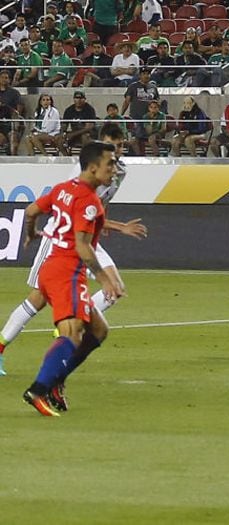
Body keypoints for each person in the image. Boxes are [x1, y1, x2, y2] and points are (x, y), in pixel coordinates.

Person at [0, 124, 147, 378]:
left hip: (86, 238)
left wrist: (102, 224)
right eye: (115, 145)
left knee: (114, 289)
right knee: (37, 300)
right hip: (61, 239)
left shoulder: (118, 172)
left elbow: (100, 205)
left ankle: (71, 324)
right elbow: (77, 208)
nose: (119, 151)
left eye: (122, 145)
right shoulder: (83, 173)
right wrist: (119, 227)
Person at [19, 141, 121, 416]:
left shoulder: (62, 189)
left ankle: (56, 380)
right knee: (72, 334)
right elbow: (83, 246)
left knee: (99, 330)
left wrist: (31, 233)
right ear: (92, 167)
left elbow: (30, 212)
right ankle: (38, 389)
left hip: (53, 267)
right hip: (67, 273)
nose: (114, 169)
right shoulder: (89, 202)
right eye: (109, 164)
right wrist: (105, 278)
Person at [56, 90, 97, 155]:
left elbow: (88, 128)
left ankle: (85, 157)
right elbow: (64, 125)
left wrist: (73, 134)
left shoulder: (89, 109)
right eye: (76, 98)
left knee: (85, 137)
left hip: (88, 133)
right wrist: (63, 133)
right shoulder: (69, 110)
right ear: (74, 99)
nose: (78, 100)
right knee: (59, 140)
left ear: (84, 99)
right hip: (74, 133)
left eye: (81, 98)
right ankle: (67, 157)